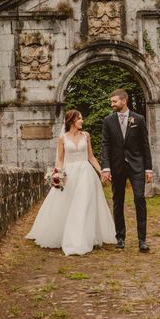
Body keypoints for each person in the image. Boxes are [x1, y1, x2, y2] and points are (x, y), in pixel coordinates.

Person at [26, 110, 116, 256]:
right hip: (69, 175)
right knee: (68, 205)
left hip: (86, 174)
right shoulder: (62, 138)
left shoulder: (86, 136)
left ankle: (81, 237)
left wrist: (102, 171)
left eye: (82, 118)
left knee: (84, 205)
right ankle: (66, 234)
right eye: (79, 118)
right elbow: (61, 160)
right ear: (72, 120)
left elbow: (91, 157)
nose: (82, 121)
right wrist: (56, 174)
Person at [100, 89, 153, 253]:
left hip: (136, 165)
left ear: (124, 101)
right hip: (117, 167)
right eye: (111, 101)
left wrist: (148, 169)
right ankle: (120, 237)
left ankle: (142, 240)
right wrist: (106, 167)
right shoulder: (108, 121)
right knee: (118, 201)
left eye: (114, 101)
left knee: (139, 198)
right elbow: (105, 145)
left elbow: (145, 145)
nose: (112, 104)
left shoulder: (138, 119)